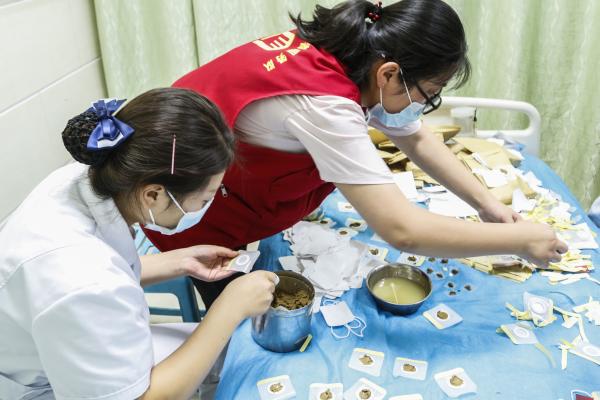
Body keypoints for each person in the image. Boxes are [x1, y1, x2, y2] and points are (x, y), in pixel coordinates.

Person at [142, 0, 566, 310]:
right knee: (241, 323)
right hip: (187, 206)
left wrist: (488, 205)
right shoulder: (325, 104)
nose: (424, 106)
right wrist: (523, 238)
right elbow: (403, 230)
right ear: (389, 73)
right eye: (429, 94)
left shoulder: (344, 50)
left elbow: (415, 138)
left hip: (220, 181)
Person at [0, 88, 278, 400]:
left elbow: (105, 265)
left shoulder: (91, 174)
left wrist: (177, 261)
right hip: (42, 387)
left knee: (225, 356)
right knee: (226, 351)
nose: (206, 206)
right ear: (154, 195)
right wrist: (230, 307)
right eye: (204, 198)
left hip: (54, 342)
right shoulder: (81, 278)